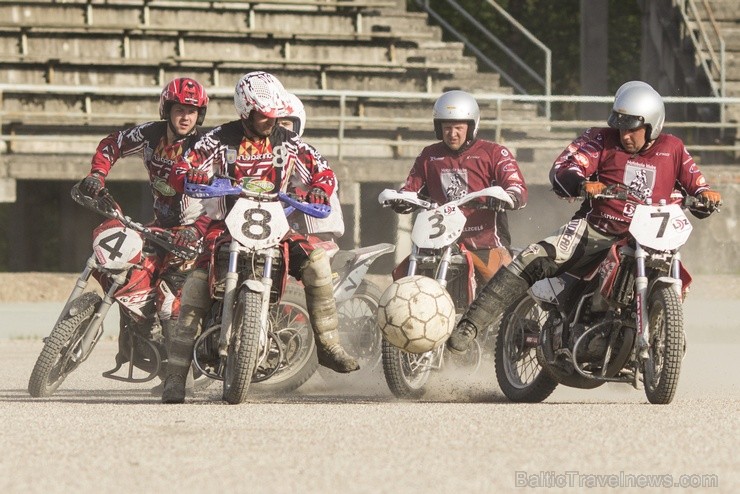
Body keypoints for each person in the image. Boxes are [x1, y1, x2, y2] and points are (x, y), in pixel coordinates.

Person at [447, 80, 723, 354]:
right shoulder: (600, 138)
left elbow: (696, 183)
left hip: (651, 234)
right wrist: (581, 183)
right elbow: (563, 168)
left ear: (652, 125)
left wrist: (706, 195)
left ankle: (658, 334)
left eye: (632, 128)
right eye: (620, 126)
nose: (624, 134)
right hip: (597, 228)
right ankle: (471, 326)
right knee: (532, 256)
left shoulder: (672, 148)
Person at [161, 71, 359, 403]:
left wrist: (321, 191)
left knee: (318, 264)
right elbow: (180, 168)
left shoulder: (289, 142)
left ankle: (328, 345)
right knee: (195, 285)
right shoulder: (218, 139)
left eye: (274, 115)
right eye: (264, 115)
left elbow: (323, 170)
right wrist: (191, 175)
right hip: (226, 226)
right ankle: (175, 377)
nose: (270, 121)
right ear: (245, 111)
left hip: (277, 228)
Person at [78, 77, 211, 388]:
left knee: (168, 298)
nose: (186, 117)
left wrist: (196, 231)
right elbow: (112, 143)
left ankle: (178, 373)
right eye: (180, 109)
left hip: (193, 233)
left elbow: (220, 199)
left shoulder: (206, 147)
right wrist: (97, 174)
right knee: (123, 267)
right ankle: (139, 337)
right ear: (167, 109)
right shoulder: (149, 135)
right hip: (159, 226)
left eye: (192, 111)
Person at [389, 89, 528, 285]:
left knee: (500, 291)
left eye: (458, 128)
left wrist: (508, 197)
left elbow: (517, 188)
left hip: (484, 243)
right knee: (401, 276)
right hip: (438, 241)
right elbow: (411, 188)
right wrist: (401, 199)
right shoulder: (429, 155)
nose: (452, 134)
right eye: (447, 127)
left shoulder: (495, 153)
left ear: (471, 126)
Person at [277, 92, 345, 240]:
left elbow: (325, 174)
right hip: (275, 226)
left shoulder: (302, 151)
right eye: (275, 124)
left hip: (314, 228)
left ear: (297, 125)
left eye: (285, 123)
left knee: (316, 260)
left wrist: (319, 190)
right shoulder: (257, 153)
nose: (280, 129)